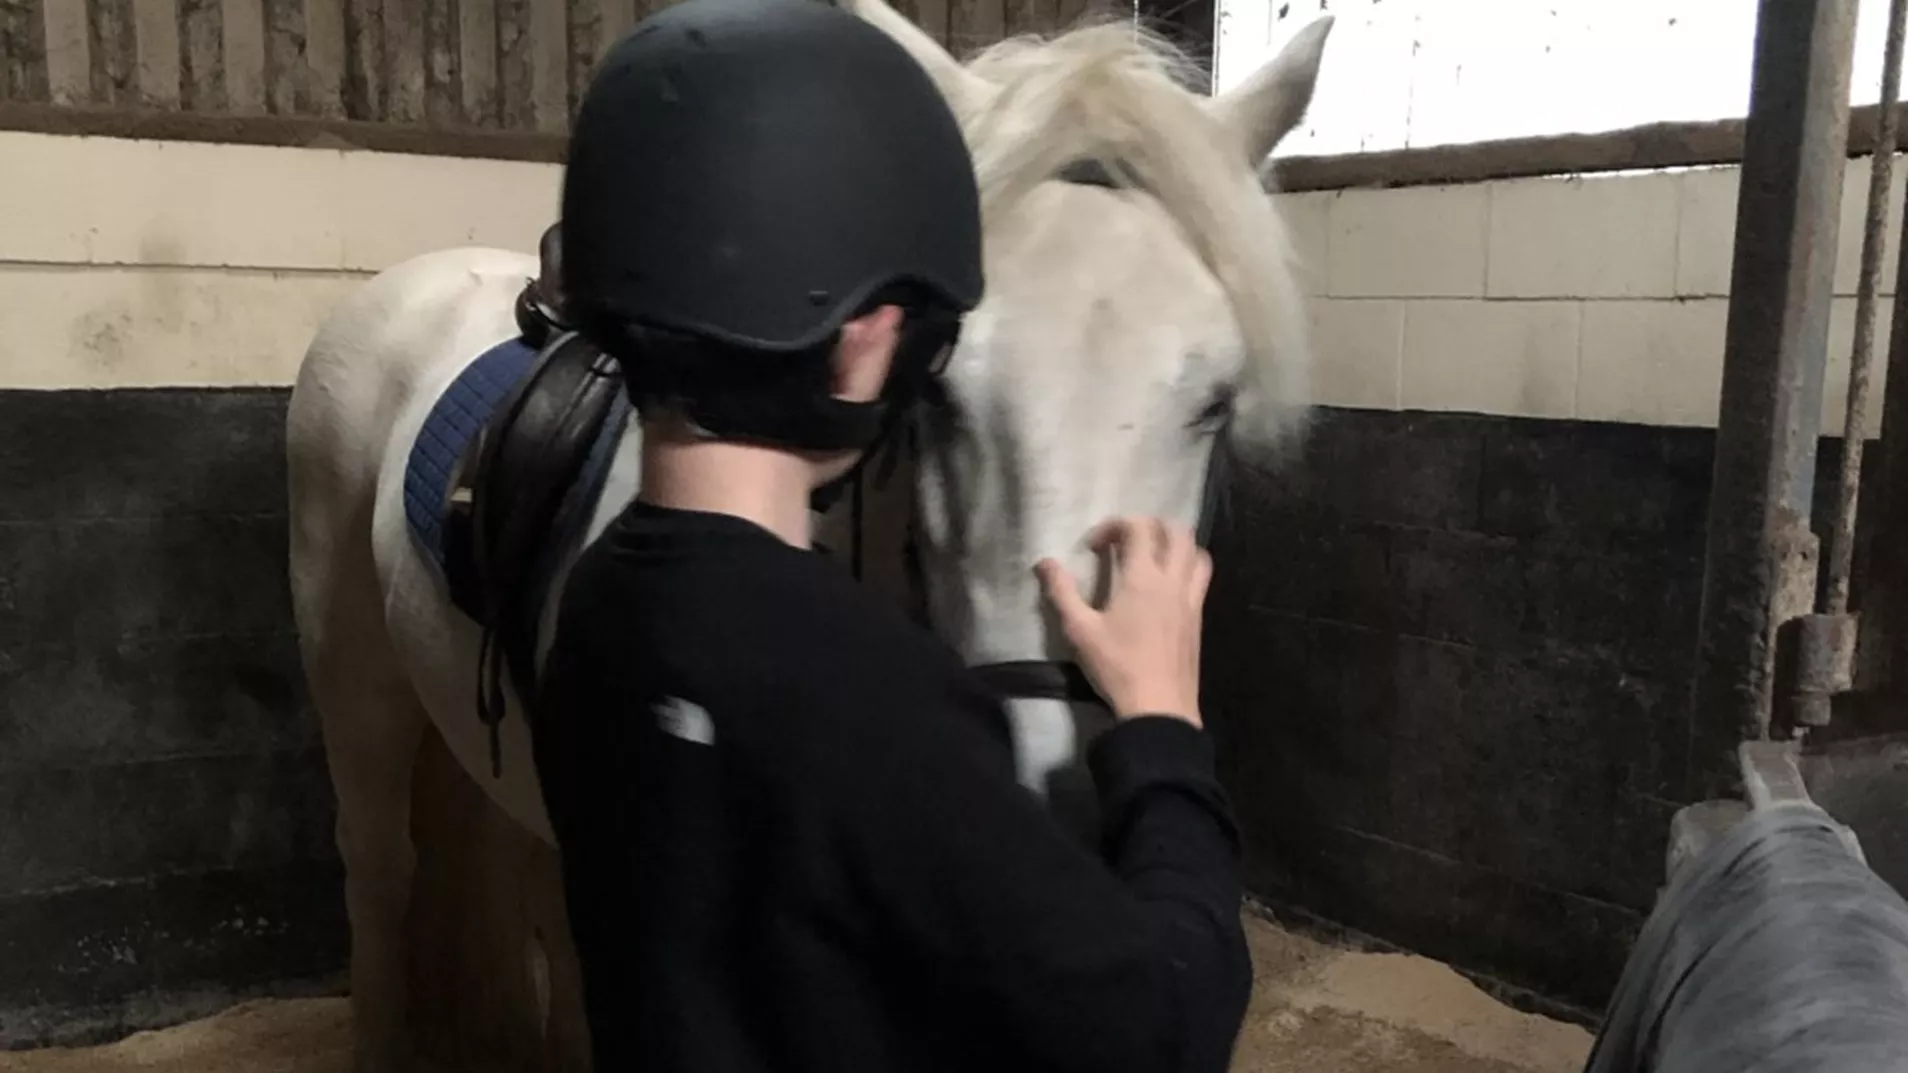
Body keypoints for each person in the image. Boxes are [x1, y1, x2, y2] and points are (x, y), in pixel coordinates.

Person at [531, 0, 1253, 1070]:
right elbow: (1161, 1023)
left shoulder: (591, 605)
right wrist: (1162, 729)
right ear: (869, 345)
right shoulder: (880, 702)